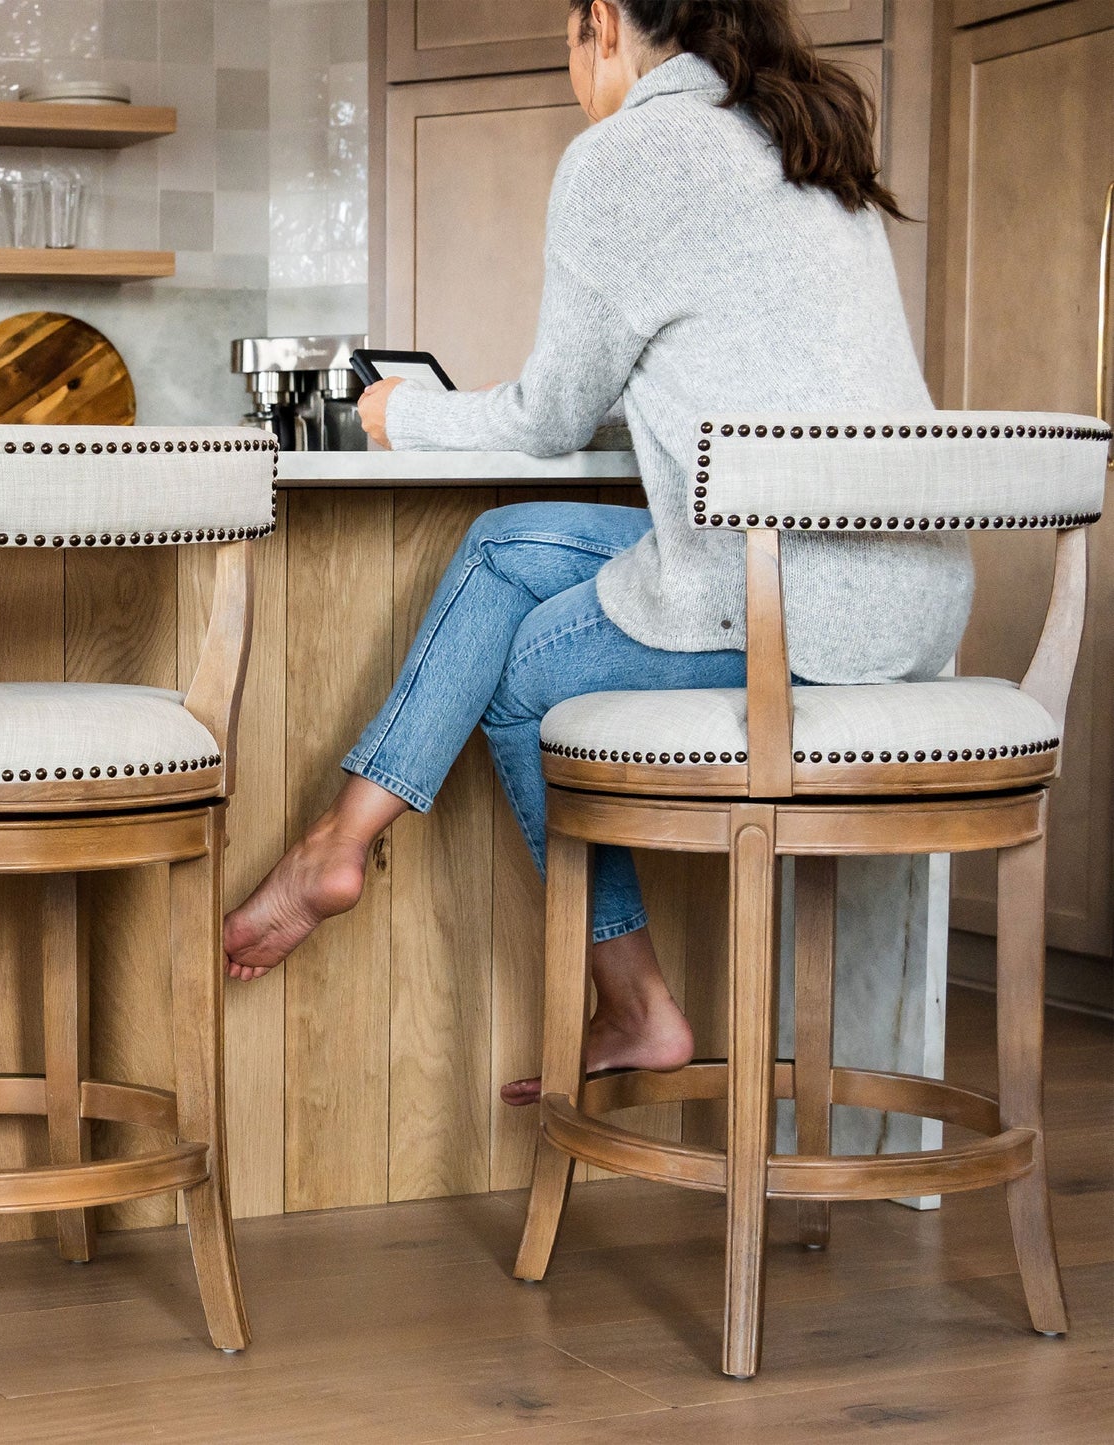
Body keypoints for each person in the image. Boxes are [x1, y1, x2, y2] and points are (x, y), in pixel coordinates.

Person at [223, 0, 972, 1106]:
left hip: (785, 608)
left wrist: (399, 416)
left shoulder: (623, 155)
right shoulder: (805, 140)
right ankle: (338, 841)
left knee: (525, 670)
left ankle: (628, 997)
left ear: (602, 22)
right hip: (910, 603)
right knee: (502, 543)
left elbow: (543, 419)